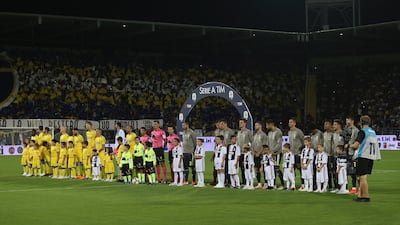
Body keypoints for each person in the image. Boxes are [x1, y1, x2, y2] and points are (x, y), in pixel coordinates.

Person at [349, 115, 381, 202]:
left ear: (361, 122)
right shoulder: (373, 132)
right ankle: (360, 196)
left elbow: (356, 145)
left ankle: (366, 197)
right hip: (370, 156)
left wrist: (348, 145)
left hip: (363, 156)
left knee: (362, 177)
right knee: (363, 177)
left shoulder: (362, 132)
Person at [266, 119, 284, 189]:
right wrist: (269, 151)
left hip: (277, 153)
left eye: (267, 125)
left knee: (276, 168)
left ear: (271, 124)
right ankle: (273, 184)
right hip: (270, 153)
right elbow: (268, 143)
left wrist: (273, 151)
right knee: (272, 169)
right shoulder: (269, 133)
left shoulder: (278, 132)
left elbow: (279, 143)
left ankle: (282, 184)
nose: (266, 126)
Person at [288, 117, 305, 189]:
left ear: (295, 123)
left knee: (300, 169)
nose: (290, 123)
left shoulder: (298, 131)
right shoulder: (289, 132)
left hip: (298, 153)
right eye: (289, 122)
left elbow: (303, 140)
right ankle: (293, 184)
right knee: (292, 169)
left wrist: (301, 150)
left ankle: (303, 184)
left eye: (291, 122)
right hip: (292, 154)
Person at [344, 116, 360, 194]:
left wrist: (353, 148)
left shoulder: (356, 130)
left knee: (357, 171)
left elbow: (358, 142)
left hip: (354, 153)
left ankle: (360, 188)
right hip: (347, 153)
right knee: (351, 171)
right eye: (346, 120)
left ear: (352, 121)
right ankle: (354, 187)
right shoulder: (346, 130)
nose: (347, 121)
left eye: (348, 120)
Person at [331, 119, 346, 192]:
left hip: (342, 156)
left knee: (342, 172)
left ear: (339, 125)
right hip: (334, 156)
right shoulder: (333, 134)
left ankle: (343, 187)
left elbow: (345, 143)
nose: (333, 126)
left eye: (335, 124)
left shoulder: (343, 133)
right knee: (335, 172)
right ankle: (337, 187)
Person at [237, 118, 253, 184]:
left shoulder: (248, 132)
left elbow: (252, 141)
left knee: (246, 167)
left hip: (246, 153)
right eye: (239, 122)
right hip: (240, 152)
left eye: (241, 122)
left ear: (245, 123)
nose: (240, 124)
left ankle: (248, 182)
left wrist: (247, 145)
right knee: (241, 168)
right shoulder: (238, 132)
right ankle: (244, 182)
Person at [219, 119, 235, 185]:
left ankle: (230, 180)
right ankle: (225, 180)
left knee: (228, 164)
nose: (220, 125)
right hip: (223, 148)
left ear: (225, 124)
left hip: (228, 148)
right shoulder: (221, 132)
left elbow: (233, 139)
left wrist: (229, 145)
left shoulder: (230, 131)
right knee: (223, 164)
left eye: (221, 124)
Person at [253, 121, 268, 188]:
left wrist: (259, 153)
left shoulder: (263, 135)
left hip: (261, 154)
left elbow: (265, 146)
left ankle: (266, 182)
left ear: (260, 126)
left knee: (264, 169)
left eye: (256, 125)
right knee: (257, 169)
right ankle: (259, 183)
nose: (255, 126)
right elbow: (253, 145)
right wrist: (254, 152)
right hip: (256, 154)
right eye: (255, 125)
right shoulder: (255, 135)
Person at [323, 120, 335, 190]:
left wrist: (332, 154)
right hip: (325, 155)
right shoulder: (324, 134)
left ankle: (336, 186)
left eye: (326, 124)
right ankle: (329, 185)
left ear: (330, 125)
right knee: (326, 171)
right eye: (325, 124)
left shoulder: (332, 134)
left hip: (331, 155)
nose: (325, 125)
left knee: (332, 171)